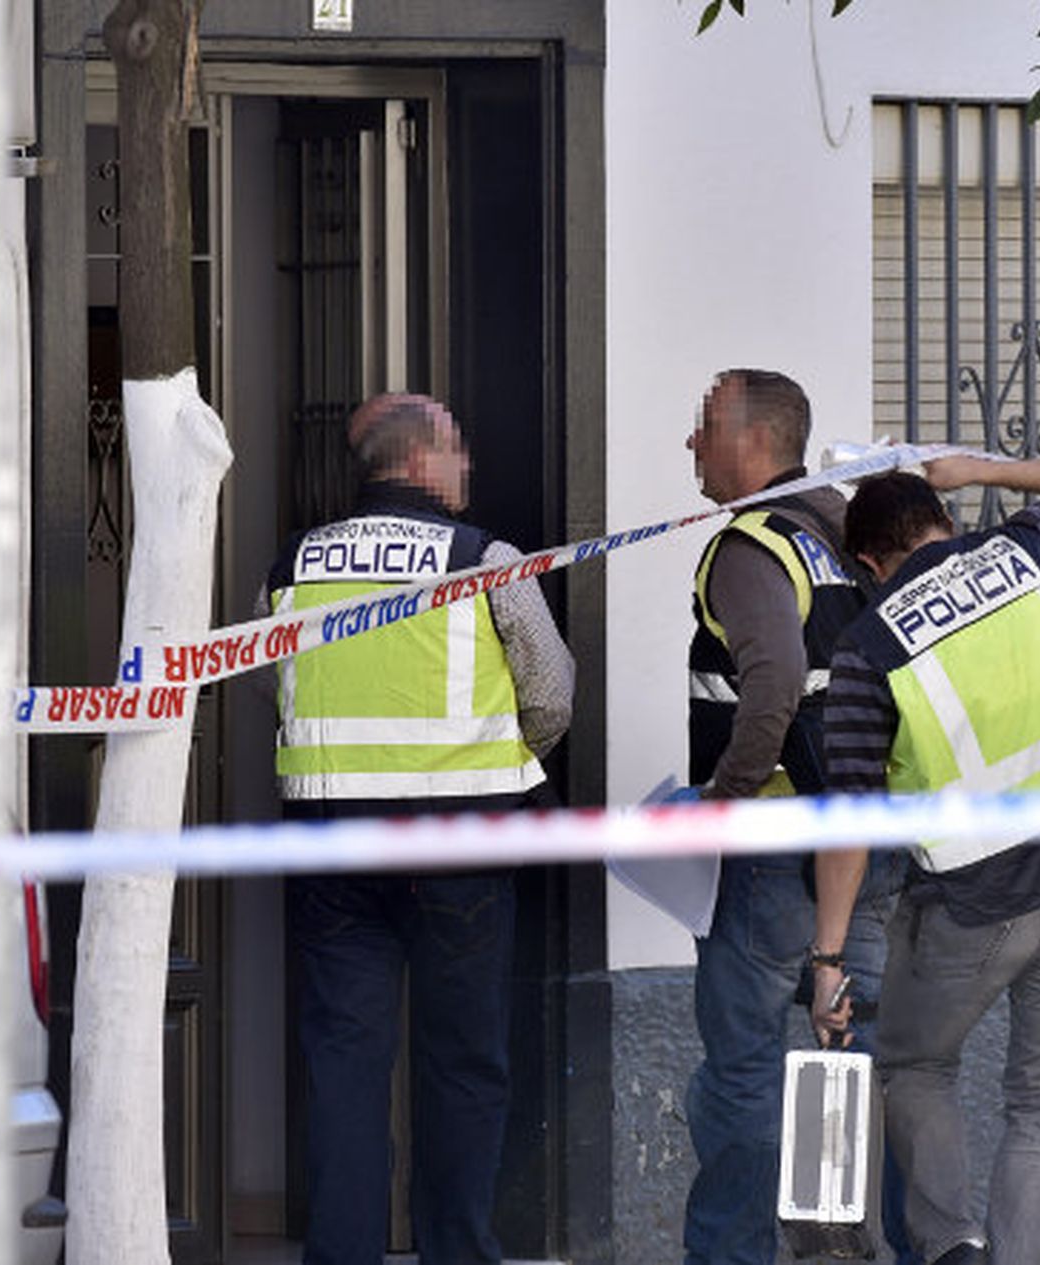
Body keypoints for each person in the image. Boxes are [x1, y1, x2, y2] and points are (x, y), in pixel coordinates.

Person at [808, 454, 1040, 1265]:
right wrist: (982, 467)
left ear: (867, 563)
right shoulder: (1038, 547)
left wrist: (828, 960)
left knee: (915, 1063)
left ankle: (952, 1244)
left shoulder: (869, 643)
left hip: (973, 905)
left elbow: (849, 819)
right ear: (946, 519)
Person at [266, 393, 574, 1265]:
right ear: (422, 460)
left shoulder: (294, 566)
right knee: (464, 1067)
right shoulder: (485, 559)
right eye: (460, 450)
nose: (469, 467)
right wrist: (493, 761)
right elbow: (550, 692)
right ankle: (455, 1252)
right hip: (460, 850)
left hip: (333, 849)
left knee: (346, 1071)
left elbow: (274, 689)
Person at [681, 367, 906, 1265]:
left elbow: (771, 688)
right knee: (836, 1063)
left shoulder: (751, 545)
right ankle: (826, 1253)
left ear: (753, 440)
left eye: (704, 427)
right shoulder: (848, 535)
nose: (690, 445)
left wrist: (720, 802)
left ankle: (733, 1257)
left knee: (741, 1074)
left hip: (772, 853)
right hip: (862, 846)